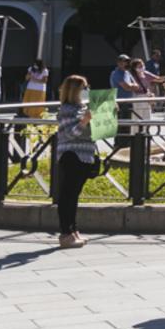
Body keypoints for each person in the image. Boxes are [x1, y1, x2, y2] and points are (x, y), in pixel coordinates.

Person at [51, 75, 96, 248]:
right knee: (67, 196)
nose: (87, 90)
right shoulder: (66, 109)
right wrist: (85, 121)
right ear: (75, 90)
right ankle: (65, 234)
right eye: (84, 87)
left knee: (74, 195)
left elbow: (98, 131)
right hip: (71, 155)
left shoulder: (83, 107)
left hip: (85, 154)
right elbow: (69, 133)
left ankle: (73, 230)